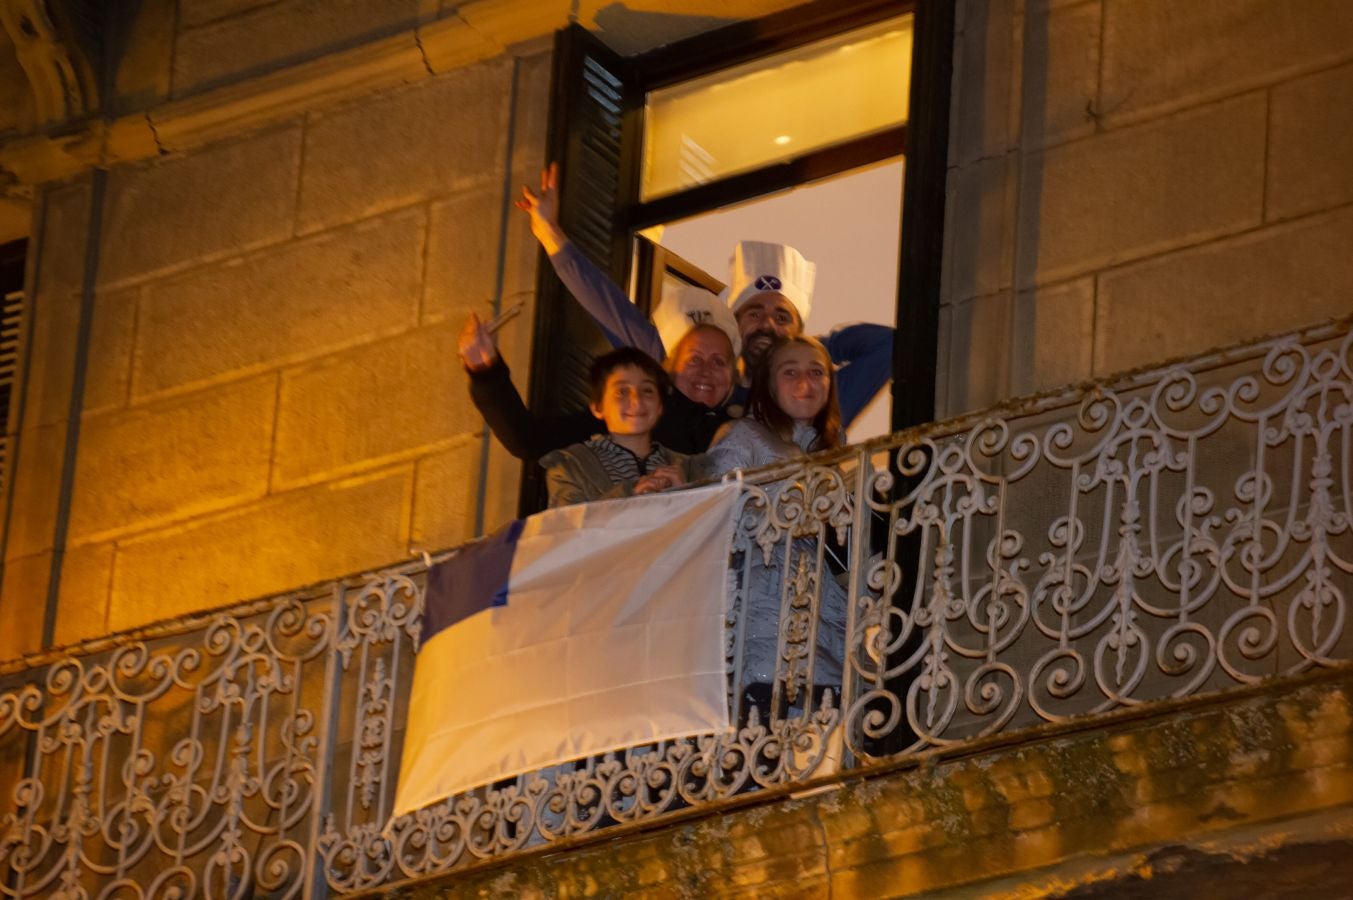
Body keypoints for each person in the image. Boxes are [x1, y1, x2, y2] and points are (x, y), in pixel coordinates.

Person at [517, 163, 894, 427]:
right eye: (754, 313)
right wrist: (552, 236)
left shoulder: (818, 396)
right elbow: (612, 311)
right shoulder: (693, 372)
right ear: (730, 324)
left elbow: (890, 346)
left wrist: (811, 348)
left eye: (783, 318)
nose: (767, 324)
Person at [704, 335, 851, 719]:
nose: (806, 380)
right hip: (761, 609)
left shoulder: (835, 454)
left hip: (823, 613)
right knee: (759, 743)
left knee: (816, 745)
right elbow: (718, 516)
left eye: (817, 372)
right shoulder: (746, 437)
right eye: (790, 372)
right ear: (769, 385)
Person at [458, 284, 738, 460]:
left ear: (732, 378)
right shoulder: (632, 414)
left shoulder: (742, 431)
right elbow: (529, 440)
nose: (705, 371)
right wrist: (486, 372)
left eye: (718, 362)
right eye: (694, 360)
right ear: (669, 368)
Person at [540, 346, 701, 508]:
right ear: (597, 407)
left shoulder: (689, 468)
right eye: (622, 391)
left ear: (660, 406)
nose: (637, 400)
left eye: (647, 390)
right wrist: (629, 496)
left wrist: (687, 495)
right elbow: (566, 527)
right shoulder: (570, 467)